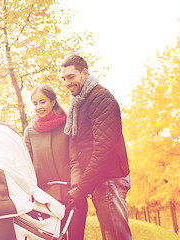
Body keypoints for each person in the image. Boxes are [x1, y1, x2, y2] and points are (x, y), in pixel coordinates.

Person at [60, 55, 132, 240]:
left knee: (116, 236)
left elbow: (103, 149)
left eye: (71, 76)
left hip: (109, 179)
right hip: (102, 180)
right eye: (64, 78)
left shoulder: (100, 99)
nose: (67, 83)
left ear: (85, 73)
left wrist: (82, 188)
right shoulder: (82, 102)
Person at [24, 83, 88, 240]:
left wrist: (77, 190)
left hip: (71, 195)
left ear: (53, 101)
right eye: (35, 103)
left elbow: (75, 161)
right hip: (44, 200)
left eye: (43, 101)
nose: (39, 106)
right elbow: (27, 167)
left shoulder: (67, 126)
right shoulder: (30, 132)